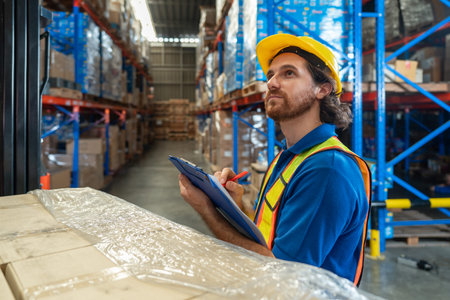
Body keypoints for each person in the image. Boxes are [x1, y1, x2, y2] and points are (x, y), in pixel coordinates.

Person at [178, 33, 371, 285]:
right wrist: (230, 205)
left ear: (322, 89)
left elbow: (283, 274)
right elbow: (271, 235)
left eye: (288, 73)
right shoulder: (289, 156)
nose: (271, 83)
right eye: (270, 75)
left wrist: (207, 210)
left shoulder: (326, 170)